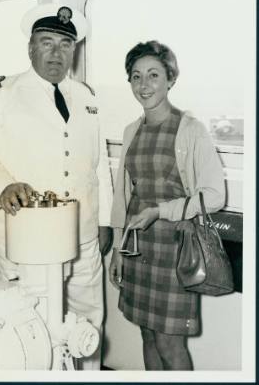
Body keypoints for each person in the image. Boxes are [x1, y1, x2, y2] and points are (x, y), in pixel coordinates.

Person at [0, 3, 113, 370]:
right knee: (25, 333)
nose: (56, 53)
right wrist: (3, 186)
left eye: (65, 45)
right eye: (47, 42)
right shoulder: (0, 93)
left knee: (86, 327)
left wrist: (105, 219)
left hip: (82, 236)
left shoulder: (87, 97)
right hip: (22, 237)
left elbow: (99, 167)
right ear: (30, 46)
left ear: (74, 50)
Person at [109, 40, 225, 370]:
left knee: (169, 343)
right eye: (136, 76)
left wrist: (161, 211)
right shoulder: (131, 131)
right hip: (138, 248)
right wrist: (118, 249)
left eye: (154, 75)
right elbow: (123, 197)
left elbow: (214, 196)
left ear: (170, 79)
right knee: (147, 335)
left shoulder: (191, 130)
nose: (144, 85)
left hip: (175, 250)